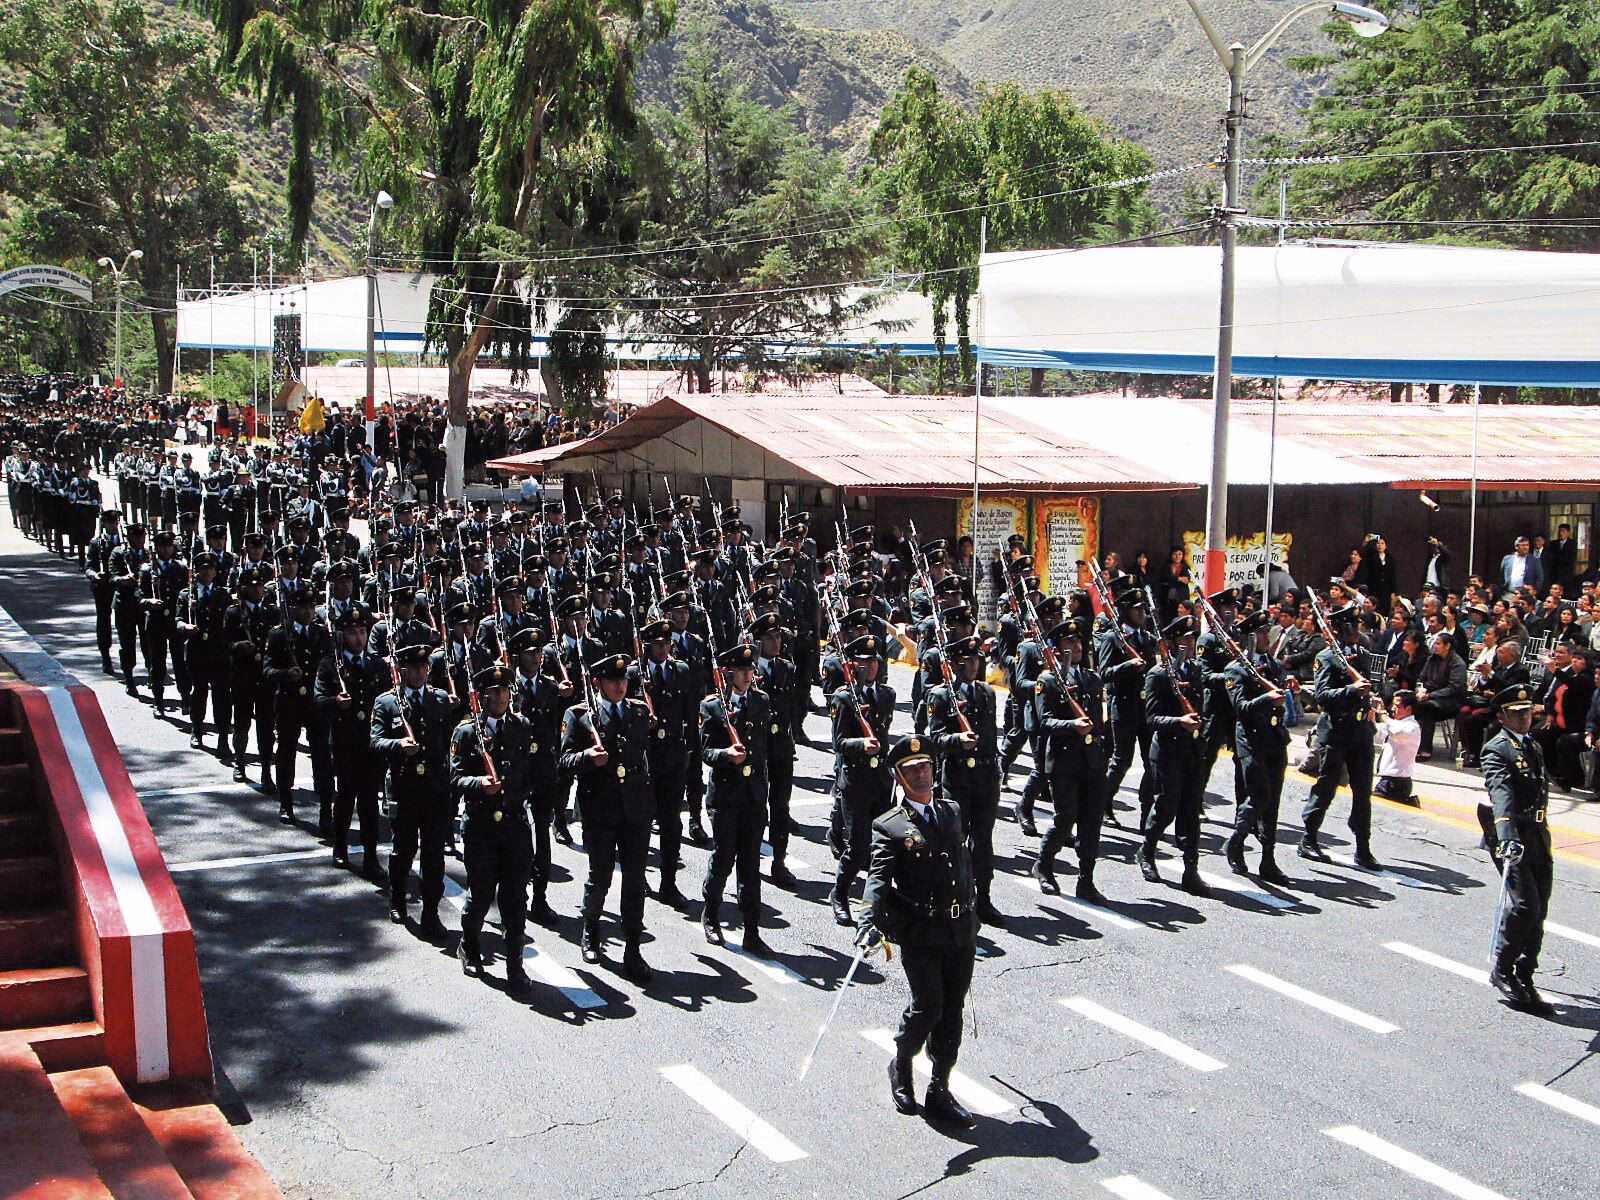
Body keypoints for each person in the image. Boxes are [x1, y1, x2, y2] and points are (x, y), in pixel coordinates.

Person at [858, 735, 978, 1128]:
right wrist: (868, 920)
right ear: (900, 777)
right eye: (912, 770)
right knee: (928, 1005)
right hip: (921, 931)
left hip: (959, 928)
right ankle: (902, 1063)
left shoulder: (952, 811)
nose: (921, 774)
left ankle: (939, 1087)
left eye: (925, 766)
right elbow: (877, 879)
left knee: (952, 1011)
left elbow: (962, 865)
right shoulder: (889, 826)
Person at [558, 651, 654, 982]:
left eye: (624, 680)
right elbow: (564, 761)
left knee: (634, 880)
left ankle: (632, 948)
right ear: (599, 683)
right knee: (600, 876)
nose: (620, 686)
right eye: (614, 681)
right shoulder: (581, 716)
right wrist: (587, 757)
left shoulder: (639, 711)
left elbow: (645, 759)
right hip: (600, 809)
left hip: (635, 810)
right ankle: (591, 930)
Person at [451, 664, 535, 992]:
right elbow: (455, 777)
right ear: (483, 696)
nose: (501, 696)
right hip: (482, 826)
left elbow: (532, 771)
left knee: (516, 899)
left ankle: (515, 964)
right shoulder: (468, 732)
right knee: (481, 896)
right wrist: (479, 783)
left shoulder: (521, 726)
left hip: (514, 825)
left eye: (506, 691)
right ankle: (469, 946)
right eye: (495, 692)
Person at [371, 643, 454, 941]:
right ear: (403, 670)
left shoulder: (440, 699)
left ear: (429, 669)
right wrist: (398, 747)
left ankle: (431, 912)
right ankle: (397, 897)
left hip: (434, 789)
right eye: (413, 667)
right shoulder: (388, 703)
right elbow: (376, 742)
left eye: (423, 667)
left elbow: (449, 743)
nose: (419, 672)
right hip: (404, 788)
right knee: (403, 850)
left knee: (434, 856)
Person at [1482, 684, 1554, 1014]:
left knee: (1539, 911)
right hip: (1513, 837)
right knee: (1525, 906)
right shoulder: (1496, 749)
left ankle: (1526, 973)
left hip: (1538, 835)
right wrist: (1507, 835)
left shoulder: (1532, 746)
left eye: (1527, 713)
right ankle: (1503, 967)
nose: (1525, 718)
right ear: (1502, 716)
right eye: (1517, 714)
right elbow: (1502, 793)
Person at [1031, 620, 1110, 903]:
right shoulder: (1049, 680)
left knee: (1091, 823)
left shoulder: (1091, 678)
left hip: (1092, 762)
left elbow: (1099, 722)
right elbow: (1046, 721)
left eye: (1078, 642)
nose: (1076, 647)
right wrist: (1072, 725)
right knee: (1065, 820)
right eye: (1069, 643)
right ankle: (1045, 865)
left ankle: (1086, 879)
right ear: (1057, 648)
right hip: (1063, 762)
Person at [1300, 604, 1381, 869]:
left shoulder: (1363, 655)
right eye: (1353, 626)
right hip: (1337, 730)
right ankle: (1309, 838)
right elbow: (1321, 697)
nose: (1357, 631)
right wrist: (1350, 689)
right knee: (1327, 785)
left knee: (1362, 790)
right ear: (1341, 628)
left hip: (1361, 731)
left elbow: (1375, 685)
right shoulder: (1326, 657)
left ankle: (1363, 846)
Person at [1138, 615, 1209, 895]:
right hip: (1168, 750)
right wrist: (1180, 722)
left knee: (1191, 810)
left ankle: (1191, 870)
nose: (1190, 643)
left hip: (1192, 749)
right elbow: (1152, 718)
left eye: (1192, 638)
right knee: (1166, 806)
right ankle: (1147, 850)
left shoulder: (1194, 671)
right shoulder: (1157, 674)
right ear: (1170, 643)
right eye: (1184, 639)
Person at [1222, 610, 1293, 882]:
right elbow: (1240, 707)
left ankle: (1268, 859)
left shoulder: (1272, 665)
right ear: (1249, 637)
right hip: (1250, 740)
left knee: (1272, 803)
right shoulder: (1236, 669)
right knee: (1259, 796)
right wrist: (1268, 699)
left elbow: (1280, 690)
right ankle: (1237, 841)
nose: (1267, 636)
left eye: (1267, 631)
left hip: (1275, 738)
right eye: (1262, 632)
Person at [1412, 631, 1468, 761]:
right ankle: (1409, 742)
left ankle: (1425, 750)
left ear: (1447, 646)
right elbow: (1421, 678)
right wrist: (1420, 689)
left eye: (1438, 644)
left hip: (1450, 701)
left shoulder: (1458, 663)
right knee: (1408, 701)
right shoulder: (1432, 659)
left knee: (1426, 708)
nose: (1434, 646)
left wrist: (1430, 695)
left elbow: (1453, 688)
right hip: (1428, 696)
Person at [1372, 689, 1422, 805]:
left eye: (1397, 706)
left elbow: (1395, 731)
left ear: (1408, 709)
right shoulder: (1394, 723)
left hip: (1398, 782)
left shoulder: (1412, 727)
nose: (1393, 709)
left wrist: (1383, 713)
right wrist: (1371, 712)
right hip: (1387, 781)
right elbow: (1374, 731)